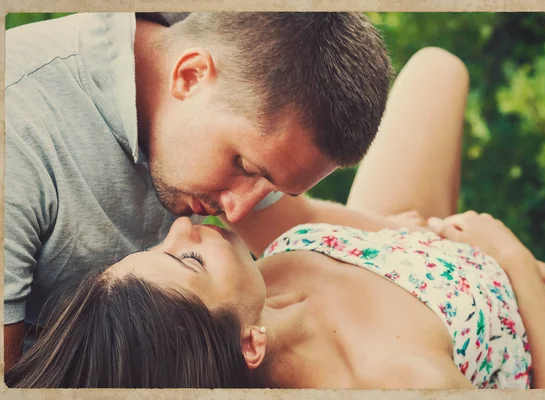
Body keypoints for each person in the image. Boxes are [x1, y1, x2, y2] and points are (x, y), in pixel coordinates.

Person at [5, 45, 545, 389]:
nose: (181, 225)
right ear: (249, 344)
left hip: (413, 248)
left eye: (151, 247)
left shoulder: (242, 280)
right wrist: (511, 260)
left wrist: (406, 233)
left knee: (438, 70)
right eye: (183, 256)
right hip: (514, 312)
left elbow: (294, 209)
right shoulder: (400, 377)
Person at [4, 11, 398, 370]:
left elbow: (299, 222)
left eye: (272, 186)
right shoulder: (18, 140)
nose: (237, 213)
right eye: (244, 167)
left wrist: (415, 236)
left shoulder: (245, 69)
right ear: (190, 76)